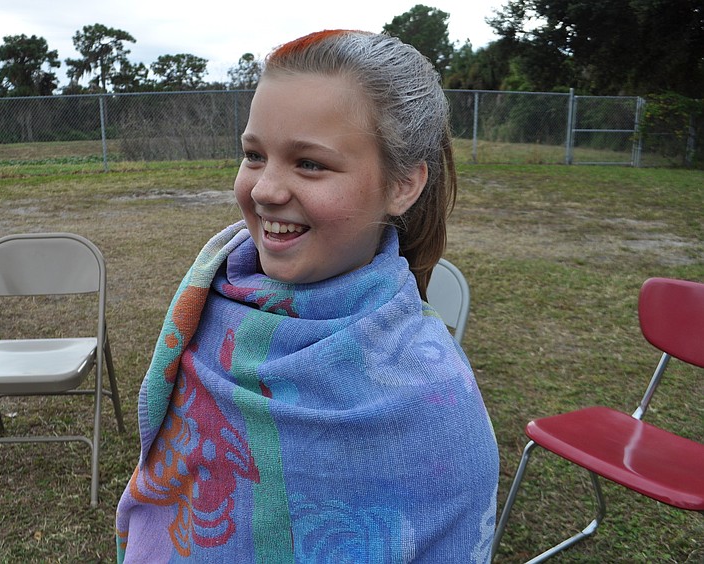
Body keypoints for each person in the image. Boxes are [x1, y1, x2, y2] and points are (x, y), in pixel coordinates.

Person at [115, 29, 498, 563]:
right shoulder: (211, 303)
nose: (266, 190)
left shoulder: (433, 403)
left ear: (402, 185)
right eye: (254, 155)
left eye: (310, 163)